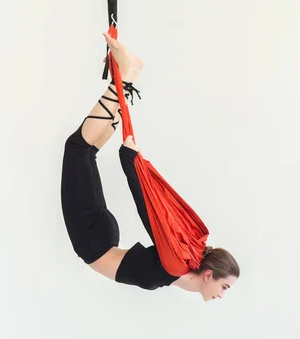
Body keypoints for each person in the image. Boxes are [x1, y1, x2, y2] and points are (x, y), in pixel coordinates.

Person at [60, 32, 240, 301]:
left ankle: (122, 83)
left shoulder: (186, 261)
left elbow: (166, 218)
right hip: (92, 240)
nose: (222, 295)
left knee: (86, 151)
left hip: (100, 238)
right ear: (208, 275)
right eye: (224, 287)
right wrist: (133, 165)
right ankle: (125, 78)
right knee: (79, 148)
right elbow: (152, 215)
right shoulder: (178, 264)